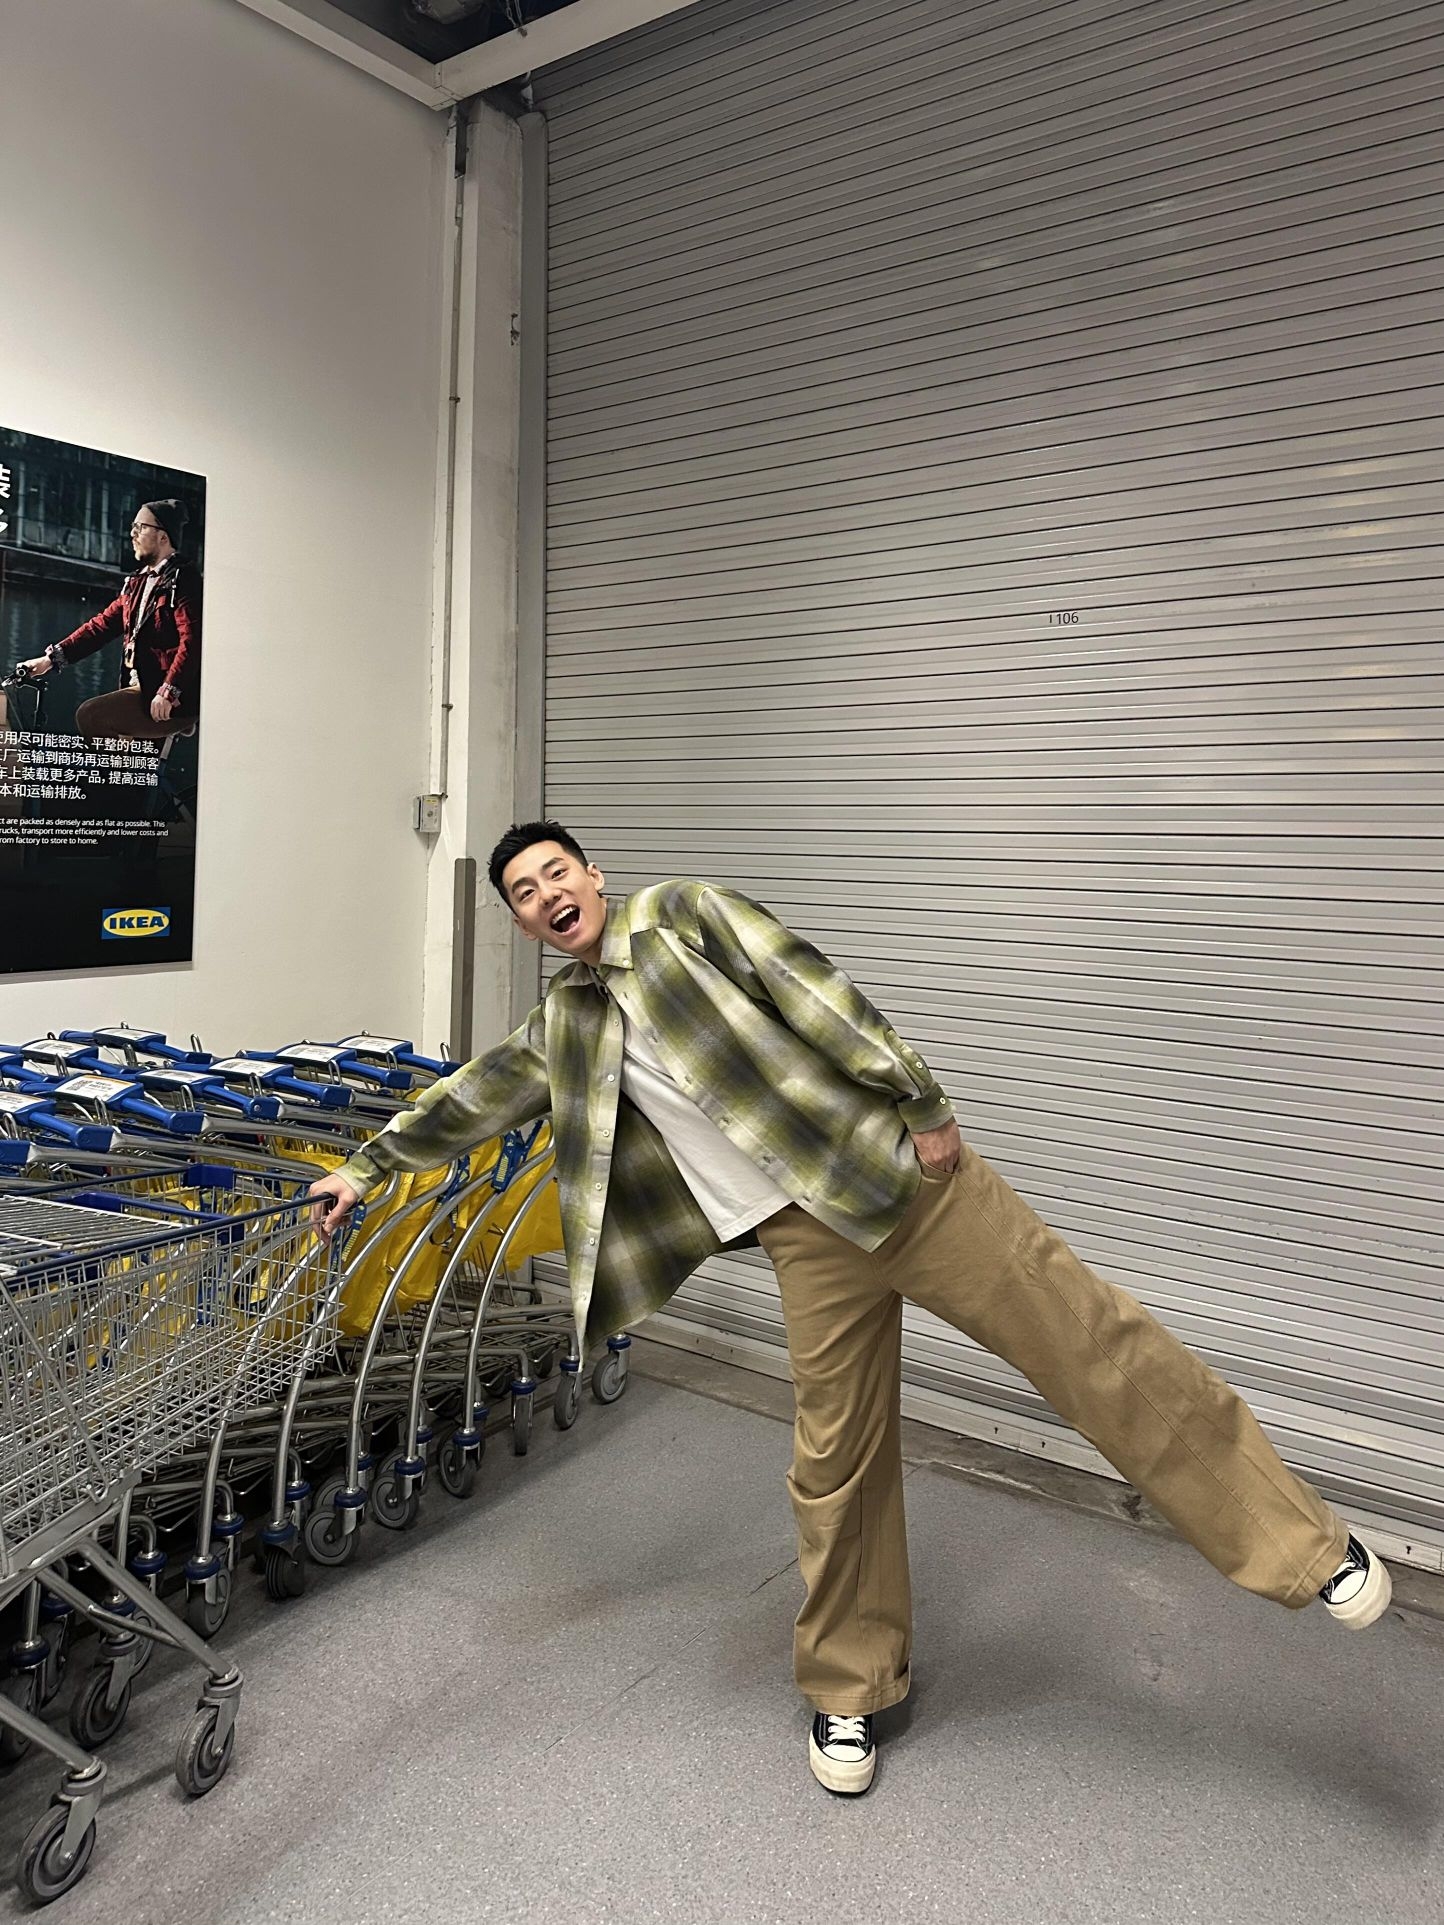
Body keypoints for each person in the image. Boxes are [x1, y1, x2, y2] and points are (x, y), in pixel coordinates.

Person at [308, 821, 1393, 1798]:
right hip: (802, 1238)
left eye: (556, 873)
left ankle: (1305, 1546)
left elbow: (812, 989)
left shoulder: (683, 914)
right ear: (522, 924)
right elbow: (477, 1094)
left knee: (1093, 1348)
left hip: (898, 1183)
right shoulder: (567, 1020)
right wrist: (365, 1167)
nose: (547, 894)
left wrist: (919, 1096)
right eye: (523, 892)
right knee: (835, 1461)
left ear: (593, 876)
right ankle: (850, 1685)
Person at [19, 498, 201, 740]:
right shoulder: (137, 582)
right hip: (141, 689)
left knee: (91, 715)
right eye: (133, 527)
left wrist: (169, 690)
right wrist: (50, 660)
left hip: (167, 697)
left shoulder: (183, 579)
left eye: (141, 527)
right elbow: (101, 627)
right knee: (125, 750)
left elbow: (192, 640)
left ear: (163, 537)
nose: (132, 534)